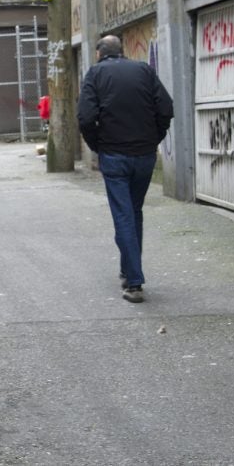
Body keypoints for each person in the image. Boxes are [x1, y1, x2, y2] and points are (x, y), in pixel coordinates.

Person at [77, 35, 174, 304]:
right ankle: (127, 269)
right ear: (122, 52)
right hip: (143, 156)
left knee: (123, 215)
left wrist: (98, 146)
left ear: (99, 54)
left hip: (115, 155)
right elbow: (165, 108)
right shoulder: (144, 70)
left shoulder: (95, 74)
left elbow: (85, 117)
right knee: (134, 212)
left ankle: (134, 283)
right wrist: (154, 138)